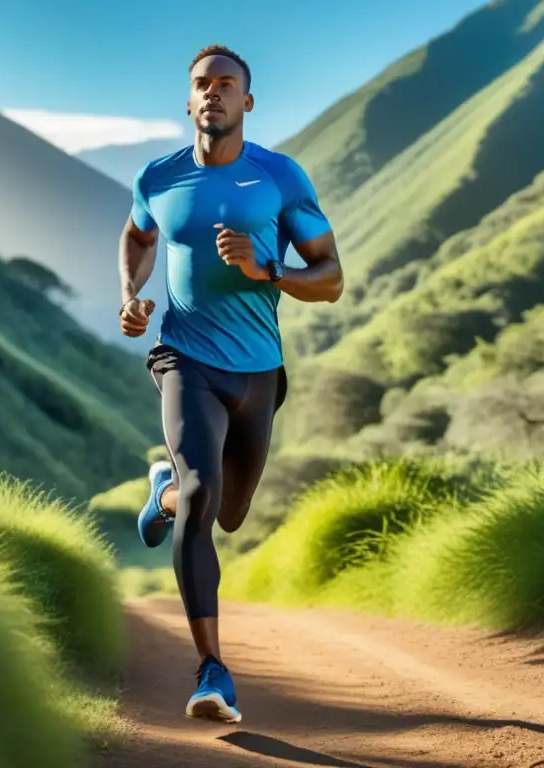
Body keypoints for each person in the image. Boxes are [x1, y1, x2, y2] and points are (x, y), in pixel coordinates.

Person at [116, 44, 343, 724]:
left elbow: (329, 277)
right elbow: (136, 234)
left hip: (258, 373)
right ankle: (213, 670)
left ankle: (162, 496)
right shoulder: (158, 177)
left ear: (248, 101)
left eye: (226, 84)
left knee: (229, 514)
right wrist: (129, 293)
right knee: (202, 493)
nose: (212, 93)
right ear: (188, 102)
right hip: (184, 359)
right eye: (201, 85)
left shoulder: (277, 177)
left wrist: (266, 271)